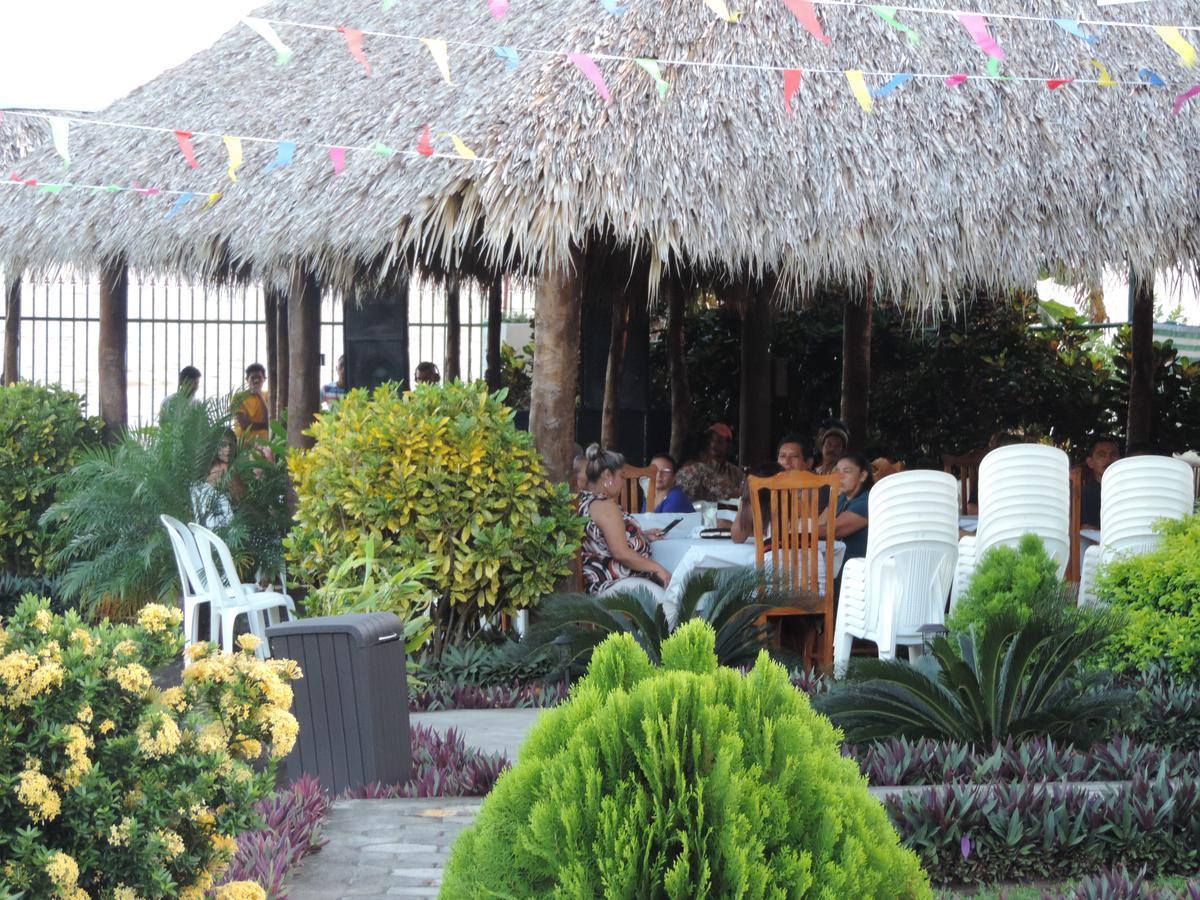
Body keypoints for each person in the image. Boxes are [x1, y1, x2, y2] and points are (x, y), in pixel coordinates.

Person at [577, 444, 672, 595]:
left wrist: (642, 535)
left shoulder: (588, 499)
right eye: (621, 476)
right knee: (672, 598)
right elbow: (621, 553)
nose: (622, 483)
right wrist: (657, 568)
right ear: (607, 475)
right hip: (614, 585)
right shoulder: (605, 506)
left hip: (610, 582)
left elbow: (605, 539)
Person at [677, 423, 743, 501]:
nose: (713, 445)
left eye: (719, 441)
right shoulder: (695, 465)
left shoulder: (735, 472)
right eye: (710, 440)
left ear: (728, 445)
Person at [828, 452, 874, 561]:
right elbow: (821, 523)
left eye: (846, 471)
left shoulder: (868, 500)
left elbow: (833, 530)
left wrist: (798, 531)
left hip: (857, 570)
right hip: (836, 567)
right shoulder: (842, 498)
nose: (839, 476)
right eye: (837, 471)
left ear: (862, 476)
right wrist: (833, 494)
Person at [731, 461, 784, 545]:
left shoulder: (752, 505)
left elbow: (737, 537)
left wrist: (745, 500)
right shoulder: (799, 501)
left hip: (771, 556)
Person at [1080, 436, 1121, 530]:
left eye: (1113, 454)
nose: (1108, 459)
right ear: (1090, 462)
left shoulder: (1129, 492)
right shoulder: (1083, 494)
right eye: (1101, 455)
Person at [233, 363, 270, 442]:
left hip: (264, 443)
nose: (256, 381)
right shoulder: (238, 398)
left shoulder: (268, 396)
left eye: (259, 378)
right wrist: (264, 425)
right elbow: (244, 425)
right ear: (247, 379)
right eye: (253, 378)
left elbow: (270, 421)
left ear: (264, 379)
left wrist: (260, 396)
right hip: (243, 444)